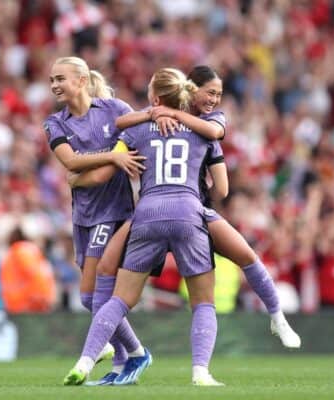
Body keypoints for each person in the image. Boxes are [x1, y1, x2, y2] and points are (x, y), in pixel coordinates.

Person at [72, 65, 301, 349]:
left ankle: (277, 317)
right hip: (161, 209)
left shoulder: (209, 122)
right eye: (210, 92)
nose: (215, 99)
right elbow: (222, 189)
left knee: (245, 255)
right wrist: (154, 114)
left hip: (184, 209)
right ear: (190, 89)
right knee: (107, 269)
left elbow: (214, 134)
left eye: (218, 94)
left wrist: (172, 115)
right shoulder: (155, 119)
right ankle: (119, 352)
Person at [64, 67, 228, 387]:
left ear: (154, 98)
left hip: (147, 217)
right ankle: (201, 372)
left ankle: (86, 362)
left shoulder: (137, 131)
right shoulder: (206, 129)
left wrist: (74, 176)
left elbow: (106, 164)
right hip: (190, 215)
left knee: (116, 297)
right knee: (215, 290)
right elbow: (221, 189)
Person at [44, 56, 149, 384]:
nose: (55, 85)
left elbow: (142, 134)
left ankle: (130, 354)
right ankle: (126, 356)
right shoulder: (55, 123)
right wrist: (112, 156)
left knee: (93, 295)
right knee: (90, 299)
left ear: (81, 80)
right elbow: (70, 162)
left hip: (114, 213)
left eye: (60, 78)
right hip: (83, 217)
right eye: (51, 80)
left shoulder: (115, 110)